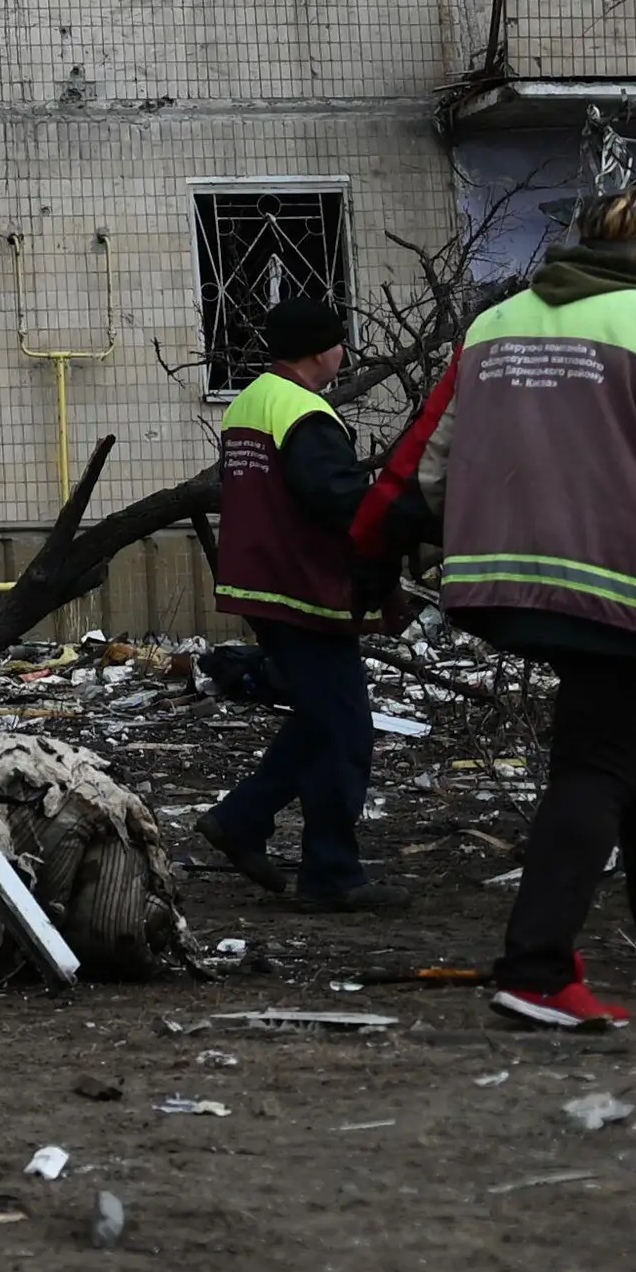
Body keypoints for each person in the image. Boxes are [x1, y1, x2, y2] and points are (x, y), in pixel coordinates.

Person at [355, 187, 636, 1030]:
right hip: (627, 593)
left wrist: (373, 566)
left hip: (516, 581)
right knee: (600, 766)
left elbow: (420, 466)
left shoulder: (494, 329)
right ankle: (534, 968)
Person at [195, 294, 406, 914]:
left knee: (320, 719)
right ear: (324, 349)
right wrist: (387, 578)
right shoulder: (306, 414)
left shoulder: (251, 402)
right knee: (344, 730)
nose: (344, 351)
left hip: (262, 583)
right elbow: (344, 508)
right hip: (305, 588)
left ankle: (244, 821)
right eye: (341, 341)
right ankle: (329, 873)